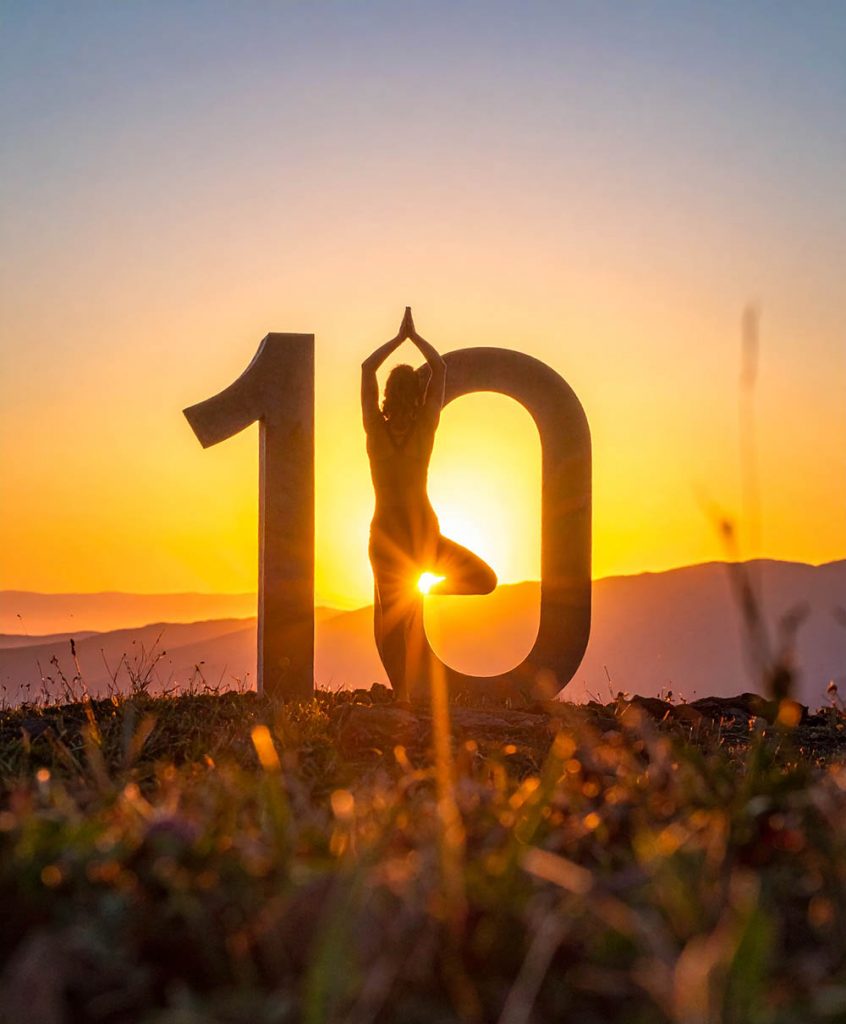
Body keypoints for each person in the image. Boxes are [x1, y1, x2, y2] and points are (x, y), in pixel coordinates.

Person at [361, 308, 496, 697]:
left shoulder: (376, 430)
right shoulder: (423, 428)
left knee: (394, 621)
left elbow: (367, 369)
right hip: (410, 535)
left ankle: (401, 694)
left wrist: (398, 340)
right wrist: (414, 338)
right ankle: (401, 696)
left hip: (395, 536)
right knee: (396, 621)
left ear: (387, 396)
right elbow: (438, 368)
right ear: (416, 396)